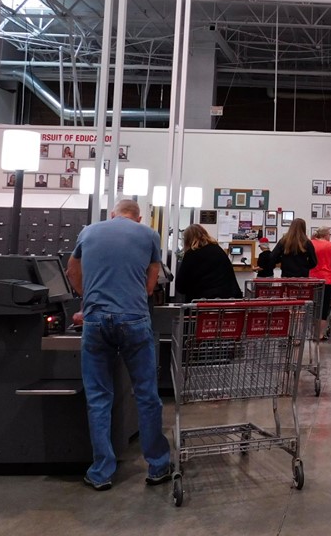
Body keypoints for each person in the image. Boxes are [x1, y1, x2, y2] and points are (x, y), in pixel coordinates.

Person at [65, 199, 171, 491]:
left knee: (99, 397)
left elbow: (72, 269)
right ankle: (158, 465)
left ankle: (101, 471)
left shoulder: (88, 231)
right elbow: (151, 285)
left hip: (96, 321)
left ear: (112, 215)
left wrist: (89, 298)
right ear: (137, 219)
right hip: (134, 320)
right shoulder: (148, 234)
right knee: (147, 395)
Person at [175, 224, 242, 301]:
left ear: (187, 240)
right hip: (229, 300)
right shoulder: (218, 250)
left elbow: (181, 286)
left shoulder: (191, 254)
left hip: (203, 302)